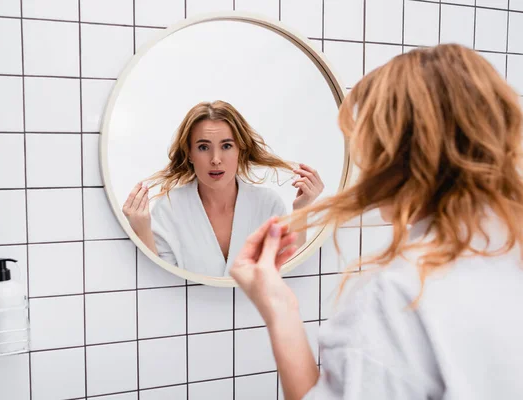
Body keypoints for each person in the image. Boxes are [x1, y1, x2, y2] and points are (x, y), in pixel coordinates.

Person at [230, 44, 523, 399]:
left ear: (393, 154)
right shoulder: (507, 252)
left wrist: (278, 309)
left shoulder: (397, 294)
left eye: (363, 143)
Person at [123, 100, 324, 276]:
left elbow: (288, 271)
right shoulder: (169, 209)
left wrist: (302, 210)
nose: (216, 160)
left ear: (240, 150)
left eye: (226, 146)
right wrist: (141, 230)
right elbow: (161, 284)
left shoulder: (268, 204)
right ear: (190, 154)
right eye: (203, 147)